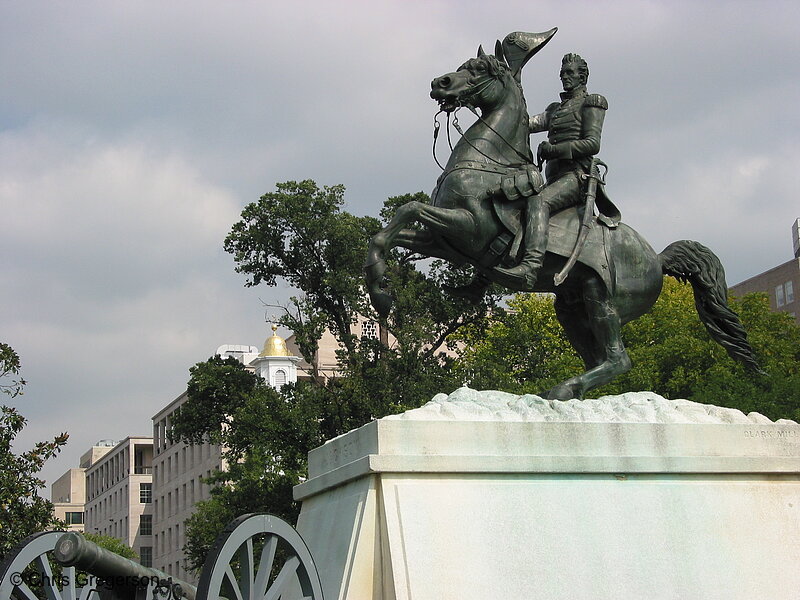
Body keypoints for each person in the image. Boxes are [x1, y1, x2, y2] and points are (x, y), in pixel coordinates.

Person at [495, 52, 617, 290]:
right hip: (553, 178)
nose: (564, 77)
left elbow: (592, 143)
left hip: (576, 177)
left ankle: (531, 266)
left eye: (570, 73)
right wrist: (500, 95)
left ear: (582, 76)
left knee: (538, 203)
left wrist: (555, 150)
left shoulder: (592, 102)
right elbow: (523, 124)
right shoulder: (555, 110)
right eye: (562, 74)